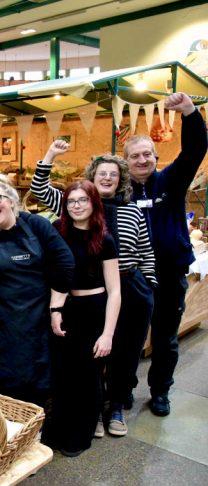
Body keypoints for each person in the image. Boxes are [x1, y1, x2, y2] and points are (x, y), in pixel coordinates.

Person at [33, 141, 157, 436]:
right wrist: (50, 154)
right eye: (102, 172)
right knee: (90, 357)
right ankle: (93, 410)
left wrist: (150, 285)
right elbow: (40, 189)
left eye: (113, 174)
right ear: (92, 177)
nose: (107, 178)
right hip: (88, 294)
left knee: (123, 353)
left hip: (127, 285)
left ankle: (115, 406)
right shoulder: (75, 207)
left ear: (120, 179)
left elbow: (146, 250)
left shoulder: (132, 211)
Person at [0, 175, 74, 405]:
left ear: (11, 199)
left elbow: (64, 262)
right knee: (3, 385)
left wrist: (56, 307)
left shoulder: (36, 226)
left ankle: (35, 426)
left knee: (37, 380)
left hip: (36, 320)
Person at [125, 92, 207, 417]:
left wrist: (189, 112)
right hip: (132, 277)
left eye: (147, 154)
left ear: (156, 156)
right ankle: (124, 388)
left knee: (165, 338)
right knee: (130, 338)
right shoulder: (120, 191)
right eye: (135, 156)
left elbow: (195, 150)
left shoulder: (171, 181)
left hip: (170, 273)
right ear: (126, 161)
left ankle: (160, 391)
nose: (142, 160)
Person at [49, 181, 120, 457]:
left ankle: (80, 435)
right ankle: (59, 431)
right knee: (64, 375)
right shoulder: (58, 232)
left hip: (94, 310)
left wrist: (108, 334)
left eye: (82, 200)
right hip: (66, 308)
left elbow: (115, 291)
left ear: (93, 203)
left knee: (88, 377)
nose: (76, 206)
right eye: (71, 201)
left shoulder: (104, 238)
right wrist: (55, 309)